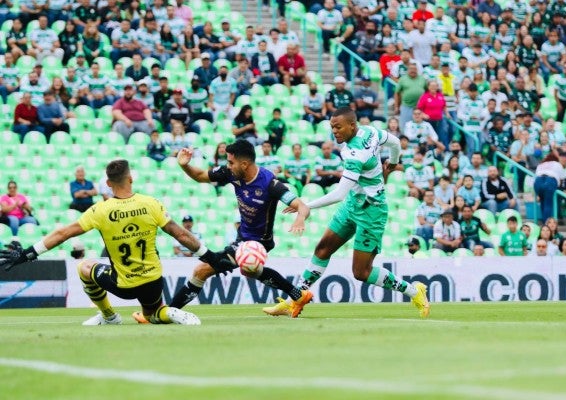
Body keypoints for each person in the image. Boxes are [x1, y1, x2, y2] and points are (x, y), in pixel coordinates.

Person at [263, 107, 430, 318]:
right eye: (332, 127)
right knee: (322, 249)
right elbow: (395, 143)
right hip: (352, 204)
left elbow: (338, 194)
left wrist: (305, 205)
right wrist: (394, 162)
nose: (335, 131)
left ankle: (415, 291)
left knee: (361, 272)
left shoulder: (354, 153)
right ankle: (294, 299)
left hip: (372, 211)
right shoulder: (371, 132)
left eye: (338, 127)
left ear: (352, 125)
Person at [0, 160, 202, 325]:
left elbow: (63, 233)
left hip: (122, 284)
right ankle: (171, 313)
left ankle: (109, 316)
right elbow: (180, 234)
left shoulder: (101, 210)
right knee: (152, 315)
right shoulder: (149, 203)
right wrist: (208, 255)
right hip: (152, 281)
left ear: (107, 183)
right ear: (131, 178)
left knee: (84, 267)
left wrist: (29, 252)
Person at [133, 140, 311, 323]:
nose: (227, 166)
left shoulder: (270, 183)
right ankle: (298, 295)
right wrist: (184, 166)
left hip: (257, 242)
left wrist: (299, 217)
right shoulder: (232, 173)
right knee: (250, 271)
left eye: (231, 162)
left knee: (202, 270)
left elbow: (302, 206)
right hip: (242, 237)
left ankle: (164, 314)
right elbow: (201, 175)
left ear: (244, 164)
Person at [534, 153, 564, 223]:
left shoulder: (541, 164)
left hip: (538, 181)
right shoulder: (557, 164)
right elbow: (562, 179)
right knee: (548, 204)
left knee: (543, 201)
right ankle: (547, 224)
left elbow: (536, 175)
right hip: (550, 180)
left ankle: (544, 221)